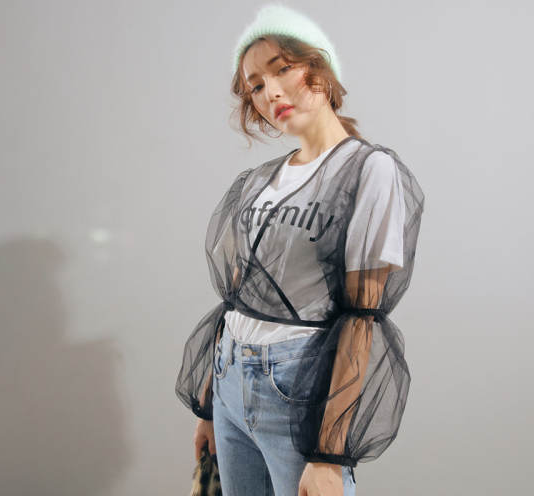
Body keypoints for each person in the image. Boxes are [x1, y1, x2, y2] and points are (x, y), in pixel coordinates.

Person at [176, 4, 425, 495]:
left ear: (318, 66)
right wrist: (209, 407)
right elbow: (236, 299)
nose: (270, 92)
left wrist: (329, 455)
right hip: (228, 382)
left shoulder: (367, 171)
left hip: (294, 390)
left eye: (282, 69)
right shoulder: (258, 180)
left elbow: (362, 318)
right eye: (254, 86)